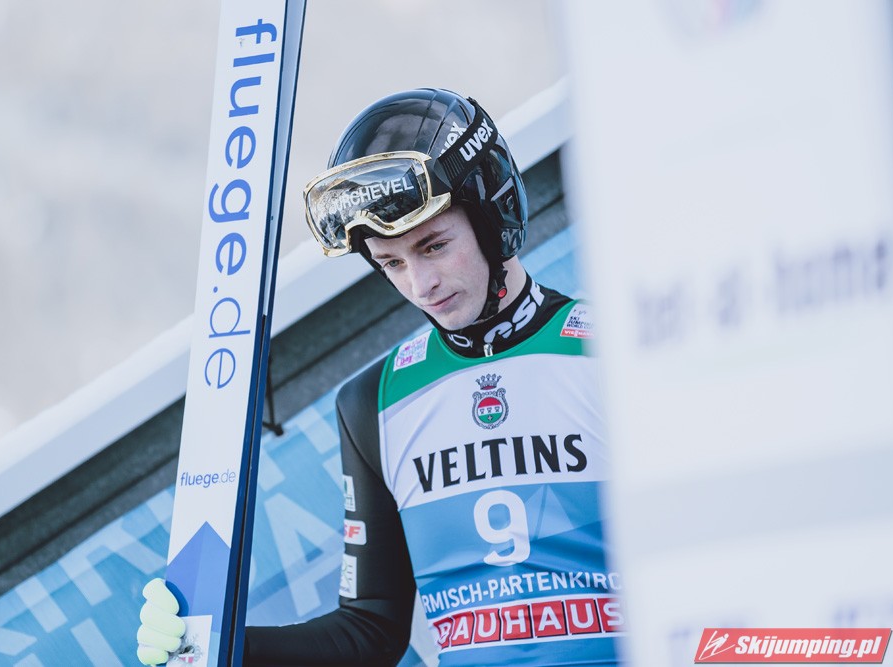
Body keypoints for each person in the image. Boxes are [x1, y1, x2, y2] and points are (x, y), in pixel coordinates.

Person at [137, 88, 623, 666]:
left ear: (493, 219)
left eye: (434, 246)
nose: (420, 285)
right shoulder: (375, 401)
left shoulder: (617, 357)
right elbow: (370, 629)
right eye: (392, 263)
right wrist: (218, 647)